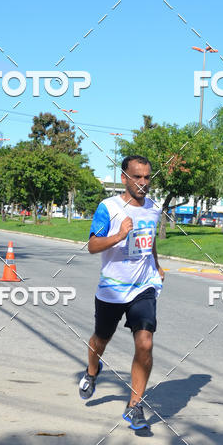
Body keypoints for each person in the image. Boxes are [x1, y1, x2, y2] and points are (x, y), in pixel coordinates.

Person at [79, 155, 165, 430]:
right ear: (124, 178)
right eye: (137, 177)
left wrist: (157, 265)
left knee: (145, 342)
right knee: (100, 341)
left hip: (144, 286)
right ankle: (93, 371)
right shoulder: (109, 207)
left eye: (147, 177)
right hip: (112, 290)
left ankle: (134, 406)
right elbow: (92, 246)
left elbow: (148, 240)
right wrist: (118, 236)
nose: (142, 182)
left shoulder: (153, 207)